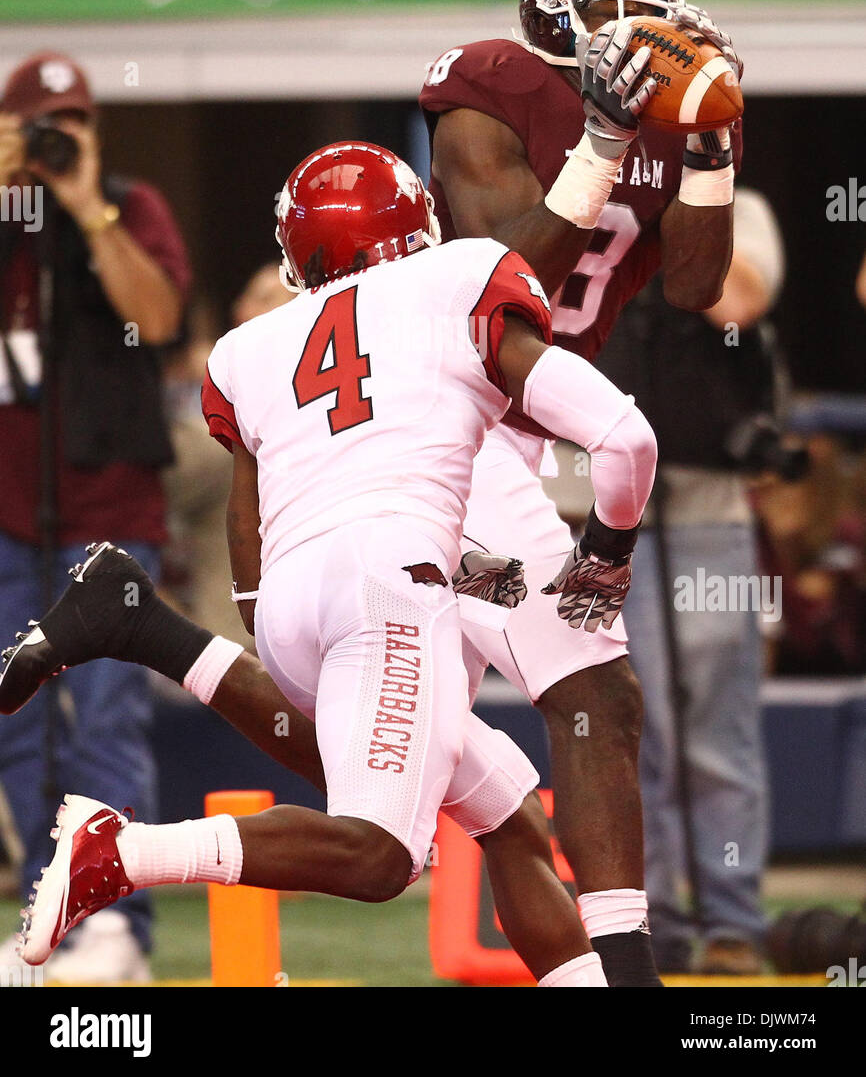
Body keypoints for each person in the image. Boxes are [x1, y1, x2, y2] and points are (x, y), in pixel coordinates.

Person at [10, 141, 656, 986]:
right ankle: (128, 851)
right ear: (413, 220)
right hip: (390, 577)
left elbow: (251, 523)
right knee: (384, 854)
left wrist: (286, 621)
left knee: (508, 816)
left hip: (295, 598)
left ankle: (139, 621)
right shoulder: (458, 277)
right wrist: (605, 554)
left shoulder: (249, 345)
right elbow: (625, 436)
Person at [414, 0, 742, 985]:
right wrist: (600, 139)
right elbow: (494, 278)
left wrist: (704, 149)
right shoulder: (492, 78)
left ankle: (603, 967)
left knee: (436, 775)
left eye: (649, 2)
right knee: (581, 682)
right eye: (608, 1)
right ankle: (621, 968)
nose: (632, 26)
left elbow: (693, 290)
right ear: (553, 6)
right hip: (431, 419)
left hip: (503, 447)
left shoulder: (654, 115)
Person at [0, 51, 190, 982]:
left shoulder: (129, 206)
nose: (55, 140)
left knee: (106, 717)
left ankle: (118, 927)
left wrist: (84, 207)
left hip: (108, 506)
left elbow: (156, 322)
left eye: (72, 123)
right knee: (17, 723)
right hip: (5, 518)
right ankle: (51, 922)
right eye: (38, 124)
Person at [595, 187, 785, 973]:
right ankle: (653, 921)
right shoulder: (578, 207)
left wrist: (674, 198)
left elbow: (737, 295)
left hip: (706, 513)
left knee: (716, 732)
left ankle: (733, 920)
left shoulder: (740, 208)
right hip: (596, 514)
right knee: (628, 736)